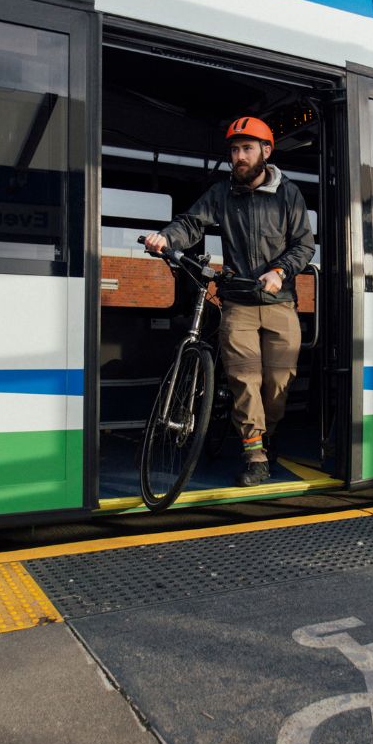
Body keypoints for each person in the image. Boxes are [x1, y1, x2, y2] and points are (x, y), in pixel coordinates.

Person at [145, 116, 315, 487]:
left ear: (266, 152)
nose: (238, 156)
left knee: (279, 383)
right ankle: (255, 454)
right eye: (234, 150)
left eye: (246, 149)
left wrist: (281, 271)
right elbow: (192, 223)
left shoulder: (290, 194)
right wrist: (166, 237)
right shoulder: (222, 194)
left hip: (279, 301)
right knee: (244, 378)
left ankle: (267, 432)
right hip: (237, 301)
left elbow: (304, 244)